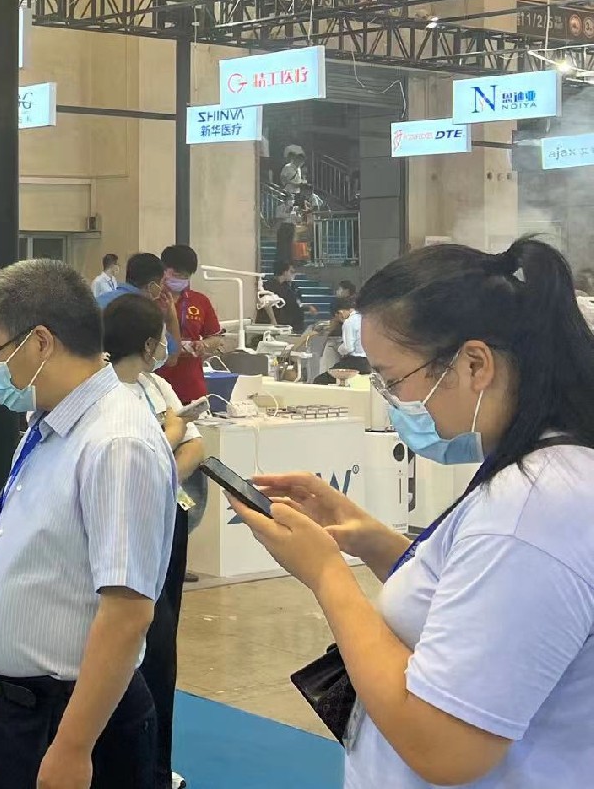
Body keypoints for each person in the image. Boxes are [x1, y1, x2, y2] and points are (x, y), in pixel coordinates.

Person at [230, 237, 594, 788]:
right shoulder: (531, 473)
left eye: (394, 379)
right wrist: (373, 541)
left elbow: (445, 746)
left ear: (474, 364)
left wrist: (327, 574)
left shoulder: (531, 513)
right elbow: (478, 600)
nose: (393, 399)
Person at [0, 259, 178, 789]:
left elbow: (127, 611)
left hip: (72, 716)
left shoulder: (116, 442)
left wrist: (73, 746)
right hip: (16, 703)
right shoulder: (48, 422)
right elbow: (20, 557)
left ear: (40, 342)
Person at [104, 294, 208, 789]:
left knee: (162, 649)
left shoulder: (158, 386)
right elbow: (129, 460)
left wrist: (161, 471)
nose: (166, 347)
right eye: (162, 337)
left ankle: (156, 767)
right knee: (129, 641)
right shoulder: (103, 394)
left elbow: (196, 445)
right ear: (148, 343)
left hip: (169, 517)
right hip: (125, 528)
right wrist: (167, 440)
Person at [158, 244, 225, 403]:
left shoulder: (199, 301)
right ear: (163, 270)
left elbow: (216, 338)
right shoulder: (151, 299)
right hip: (158, 383)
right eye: (176, 275)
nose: (180, 280)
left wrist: (203, 345)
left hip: (191, 387)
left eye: (185, 276)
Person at [260, 261, 307, 334]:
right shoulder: (270, 285)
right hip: (280, 321)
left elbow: (295, 302)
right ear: (285, 272)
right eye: (291, 272)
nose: (293, 275)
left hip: (292, 323)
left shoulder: (288, 286)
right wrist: (273, 321)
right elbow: (267, 304)